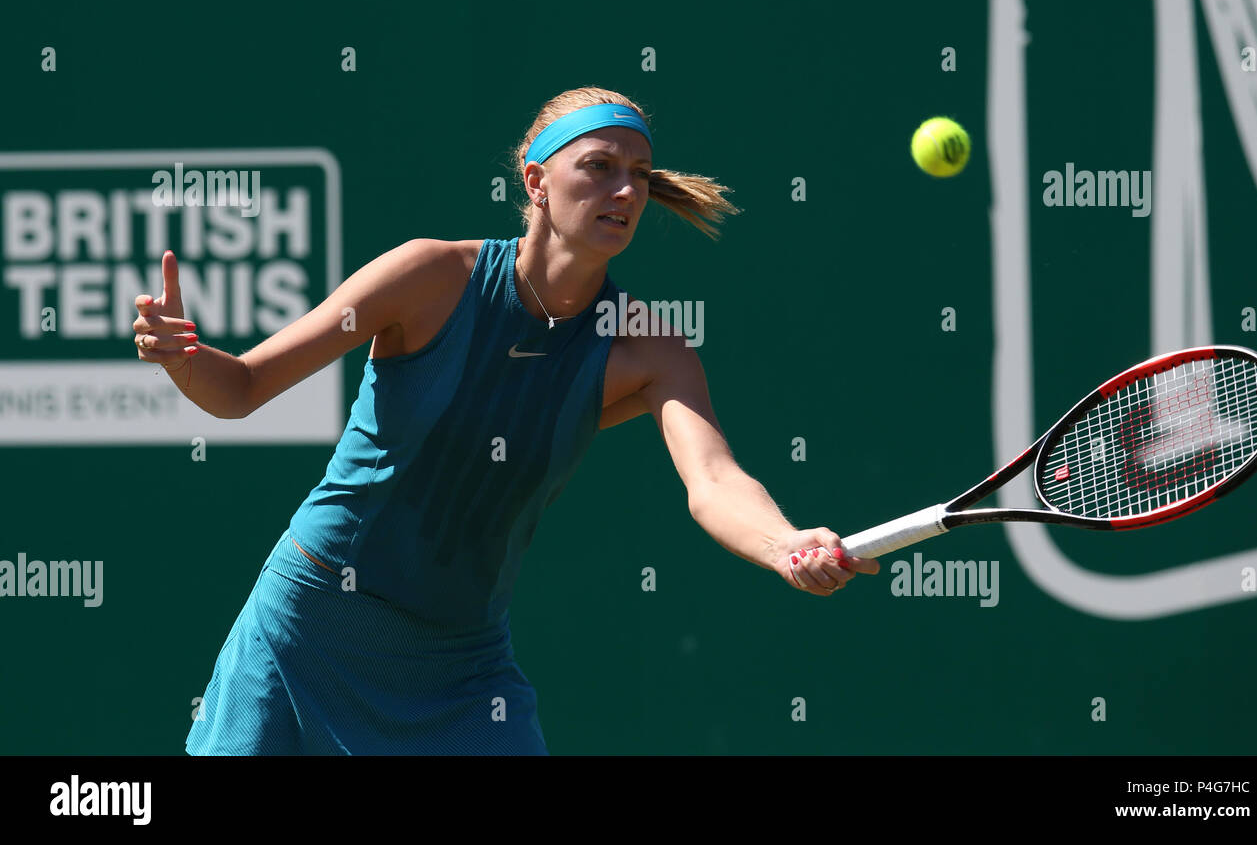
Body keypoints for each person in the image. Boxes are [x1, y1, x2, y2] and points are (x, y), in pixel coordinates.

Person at [134, 86, 880, 755]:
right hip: (312, 625)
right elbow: (242, 388)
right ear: (536, 181)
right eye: (599, 166)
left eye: (640, 175)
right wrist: (183, 357)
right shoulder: (426, 277)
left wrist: (785, 543)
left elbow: (714, 479)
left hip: (463, 666)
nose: (625, 188)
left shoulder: (650, 348)